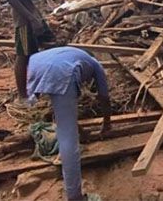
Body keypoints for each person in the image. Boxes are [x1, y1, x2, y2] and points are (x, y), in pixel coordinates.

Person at [27, 46, 111, 201]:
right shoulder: (94, 63)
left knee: (63, 116)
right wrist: (107, 124)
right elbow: (104, 97)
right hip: (60, 72)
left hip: (35, 64)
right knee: (68, 138)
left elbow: (61, 102)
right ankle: (75, 196)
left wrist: (79, 128)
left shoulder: (71, 54)